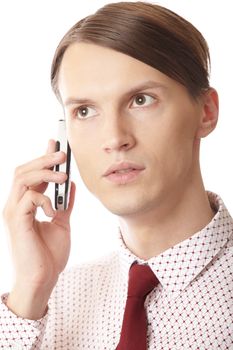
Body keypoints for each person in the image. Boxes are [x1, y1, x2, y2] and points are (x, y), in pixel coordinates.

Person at [0, 1, 232, 349]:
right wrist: (31, 291)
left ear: (206, 112)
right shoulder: (49, 305)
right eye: (85, 110)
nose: (114, 138)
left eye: (141, 100)